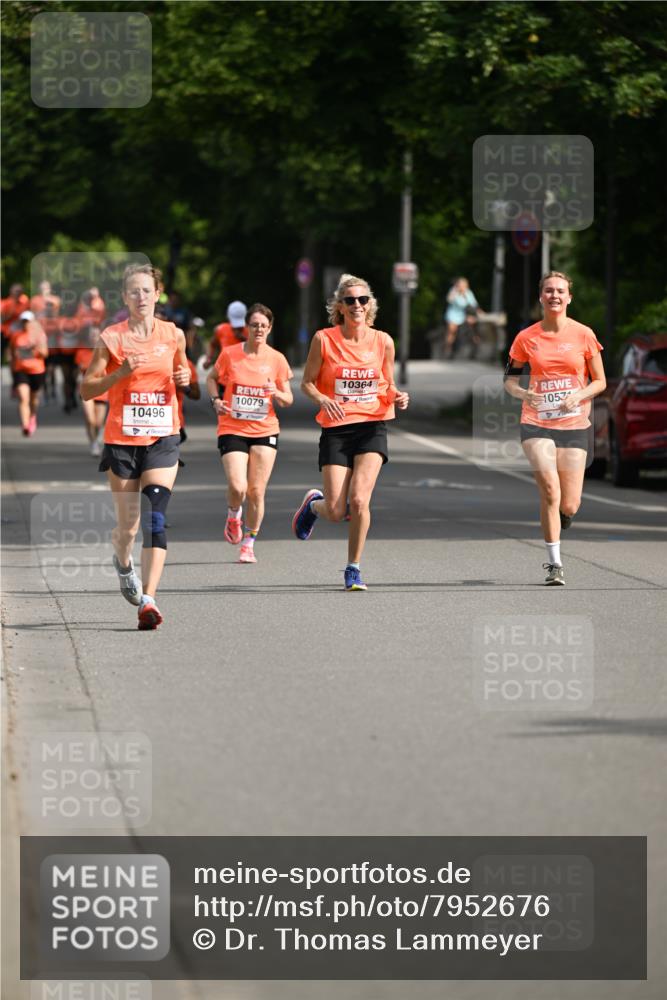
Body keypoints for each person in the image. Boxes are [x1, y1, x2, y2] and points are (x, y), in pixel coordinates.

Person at [81, 263, 191, 629]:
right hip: (122, 441)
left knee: (155, 516)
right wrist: (120, 373)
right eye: (134, 291)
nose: (140, 297)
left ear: (157, 294)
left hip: (162, 437)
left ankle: (149, 599)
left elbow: (185, 378)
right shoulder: (111, 337)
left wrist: (185, 378)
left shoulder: (174, 334)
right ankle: (123, 563)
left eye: (146, 290)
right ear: (124, 297)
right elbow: (87, 389)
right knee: (128, 527)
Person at [292, 273, 409, 591]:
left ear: (370, 305)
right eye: (350, 300)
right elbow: (307, 383)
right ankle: (313, 505)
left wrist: (398, 395)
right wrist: (323, 399)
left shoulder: (383, 341)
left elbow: (388, 383)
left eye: (363, 299)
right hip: (337, 429)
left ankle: (353, 568)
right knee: (335, 511)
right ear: (340, 307)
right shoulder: (324, 339)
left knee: (359, 500)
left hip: (372, 426)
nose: (357, 305)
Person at [503, 271, 606, 586]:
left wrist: (578, 395)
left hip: (574, 424)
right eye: (549, 291)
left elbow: (600, 381)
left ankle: (563, 516)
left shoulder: (584, 334)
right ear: (541, 297)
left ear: (569, 298)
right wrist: (524, 394)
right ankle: (555, 564)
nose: (554, 296)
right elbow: (509, 381)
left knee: (569, 503)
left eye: (560, 291)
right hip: (536, 422)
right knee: (550, 489)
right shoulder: (526, 337)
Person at [206, 303, 293, 563]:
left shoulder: (277, 359)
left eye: (263, 326)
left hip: (265, 428)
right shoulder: (230, 354)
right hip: (232, 427)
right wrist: (215, 400)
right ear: (247, 327)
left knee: (256, 491)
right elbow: (211, 378)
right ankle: (234, 514)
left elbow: (288, 399)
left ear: (270, 328)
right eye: (254, 325)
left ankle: (249, 543)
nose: (259, 329)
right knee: (238, 486)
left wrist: (276, 393)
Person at [9, 311, 48, 435]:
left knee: (33, 399)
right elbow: (12, 354)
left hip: (37, 371)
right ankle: (25, 425)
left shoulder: (39, 335)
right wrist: (12, 370)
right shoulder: (16, 336)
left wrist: (34, 348)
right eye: (23, 321)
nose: (25, 324)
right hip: (21, 371)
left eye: (28, 321)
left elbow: (45, 354)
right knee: (23, 398)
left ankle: (32, 415)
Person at [75, 325, 108, 456]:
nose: (94, 338)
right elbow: (78, 372)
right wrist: (79, 379)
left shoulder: (106, 352)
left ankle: (96, 436)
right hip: (87, 391)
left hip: (102, 390)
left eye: (96, 335)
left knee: (99, 422)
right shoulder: (81, 352)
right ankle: (93, 443)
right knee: (90, 419)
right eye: (91, 335)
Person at [203, 300, 248, 368]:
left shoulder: (251, 331)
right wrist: (209, 359)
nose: (237, 327)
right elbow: (212, 344)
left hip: (244, 369)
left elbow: (259, 350)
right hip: (225, 369)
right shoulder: (221, 329)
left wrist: (244, 339)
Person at [444, 277, 479, 357]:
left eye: (464, 285)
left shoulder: (468, 293)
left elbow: (474, 305)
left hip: (464, 314)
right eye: (461, 285)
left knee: (472, 325)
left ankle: (474, 348)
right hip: (453, 314)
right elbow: (449, 300)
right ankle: (448, 348)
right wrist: (455, 292)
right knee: (452, 331)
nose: (462, 287)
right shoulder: (453, 291)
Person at [2, 283, 30, 360]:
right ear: (11, 292)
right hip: (6, 333)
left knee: (17, 354)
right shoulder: (5, 303)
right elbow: (2, 320)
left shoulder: (25, 302)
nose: (18, 293)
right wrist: (10, 314)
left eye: (20, 291)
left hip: (20, 333)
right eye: (16, 291)